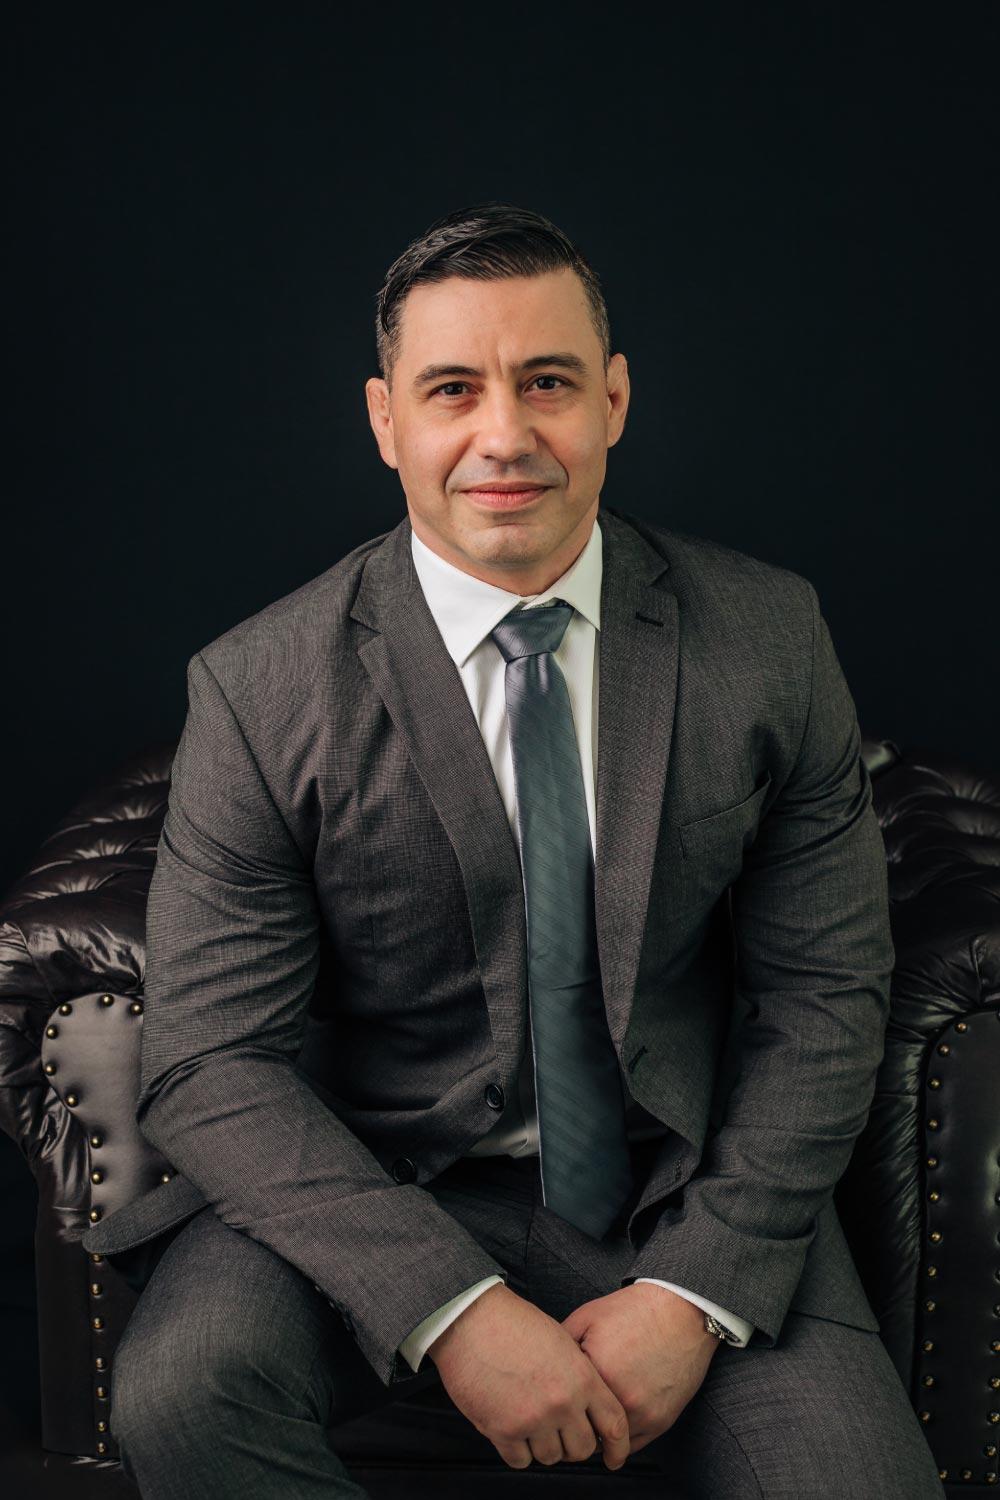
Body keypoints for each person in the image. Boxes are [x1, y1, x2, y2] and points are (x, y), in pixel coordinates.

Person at [83, 202, 945, 1497]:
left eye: (547, 383)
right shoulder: (260, 687)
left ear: (614, 400)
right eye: (453, 390)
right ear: (386, 421)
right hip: (373, 1184)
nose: (505, 435)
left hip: (682, 1186)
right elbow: (213, 1063)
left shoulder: (770, 639)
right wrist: (452, 1310)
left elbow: (825, 996)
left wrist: (696, 1291)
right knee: (185, 1397)